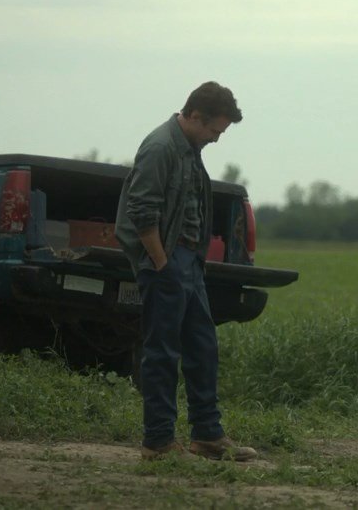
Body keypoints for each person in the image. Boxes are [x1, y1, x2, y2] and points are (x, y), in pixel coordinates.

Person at [115, 81, 257, 462]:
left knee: (202, 346)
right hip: (167, 262)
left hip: (189, 261)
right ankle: (158, 442)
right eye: (214, 130)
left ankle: (207, 435)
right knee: (163, 351)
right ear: (195, 116)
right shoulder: (160, 146)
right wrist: (161, 263)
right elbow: (141, 211)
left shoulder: (189, 148)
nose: (216, 138)